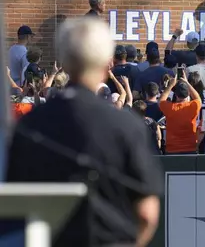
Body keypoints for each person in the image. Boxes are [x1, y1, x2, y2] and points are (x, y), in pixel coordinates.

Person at [6, 17, 163, 247]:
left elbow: (15, 208)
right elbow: (147, 214)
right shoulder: (126, 125)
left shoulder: (31, 124)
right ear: (105, 63)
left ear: (66, 62)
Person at [159, 69, 202, 154]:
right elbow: (198, 98)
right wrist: (187, 82)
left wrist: (170, 86)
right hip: (190, 149)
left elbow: (161, 100)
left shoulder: (170, 108)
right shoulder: (193, 106)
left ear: (176, 95)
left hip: (172, 150)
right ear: (188, 94)